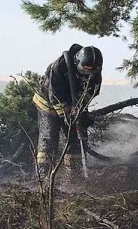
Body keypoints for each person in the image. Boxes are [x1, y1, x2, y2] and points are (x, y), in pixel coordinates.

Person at [32, 44, 103, 178]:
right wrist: (67, 114)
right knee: (49, 138)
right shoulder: (59, 66)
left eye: (91, 72)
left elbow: (92, 91)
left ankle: (74, 176)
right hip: (48, 103)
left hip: (72, 105)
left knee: (75, 138)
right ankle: (44, 176)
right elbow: (55, 95)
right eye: (84, 70)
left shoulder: (95, 71)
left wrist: (82, 112)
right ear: (77, 61)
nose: (87, 74)